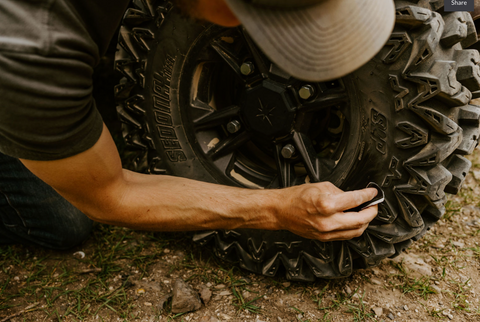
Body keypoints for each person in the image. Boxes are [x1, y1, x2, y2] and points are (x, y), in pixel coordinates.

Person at [0, 0, 395, 250]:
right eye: (262, 22)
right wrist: (275, 208)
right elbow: (109, 194)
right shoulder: (30, 47)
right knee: (62, 217)